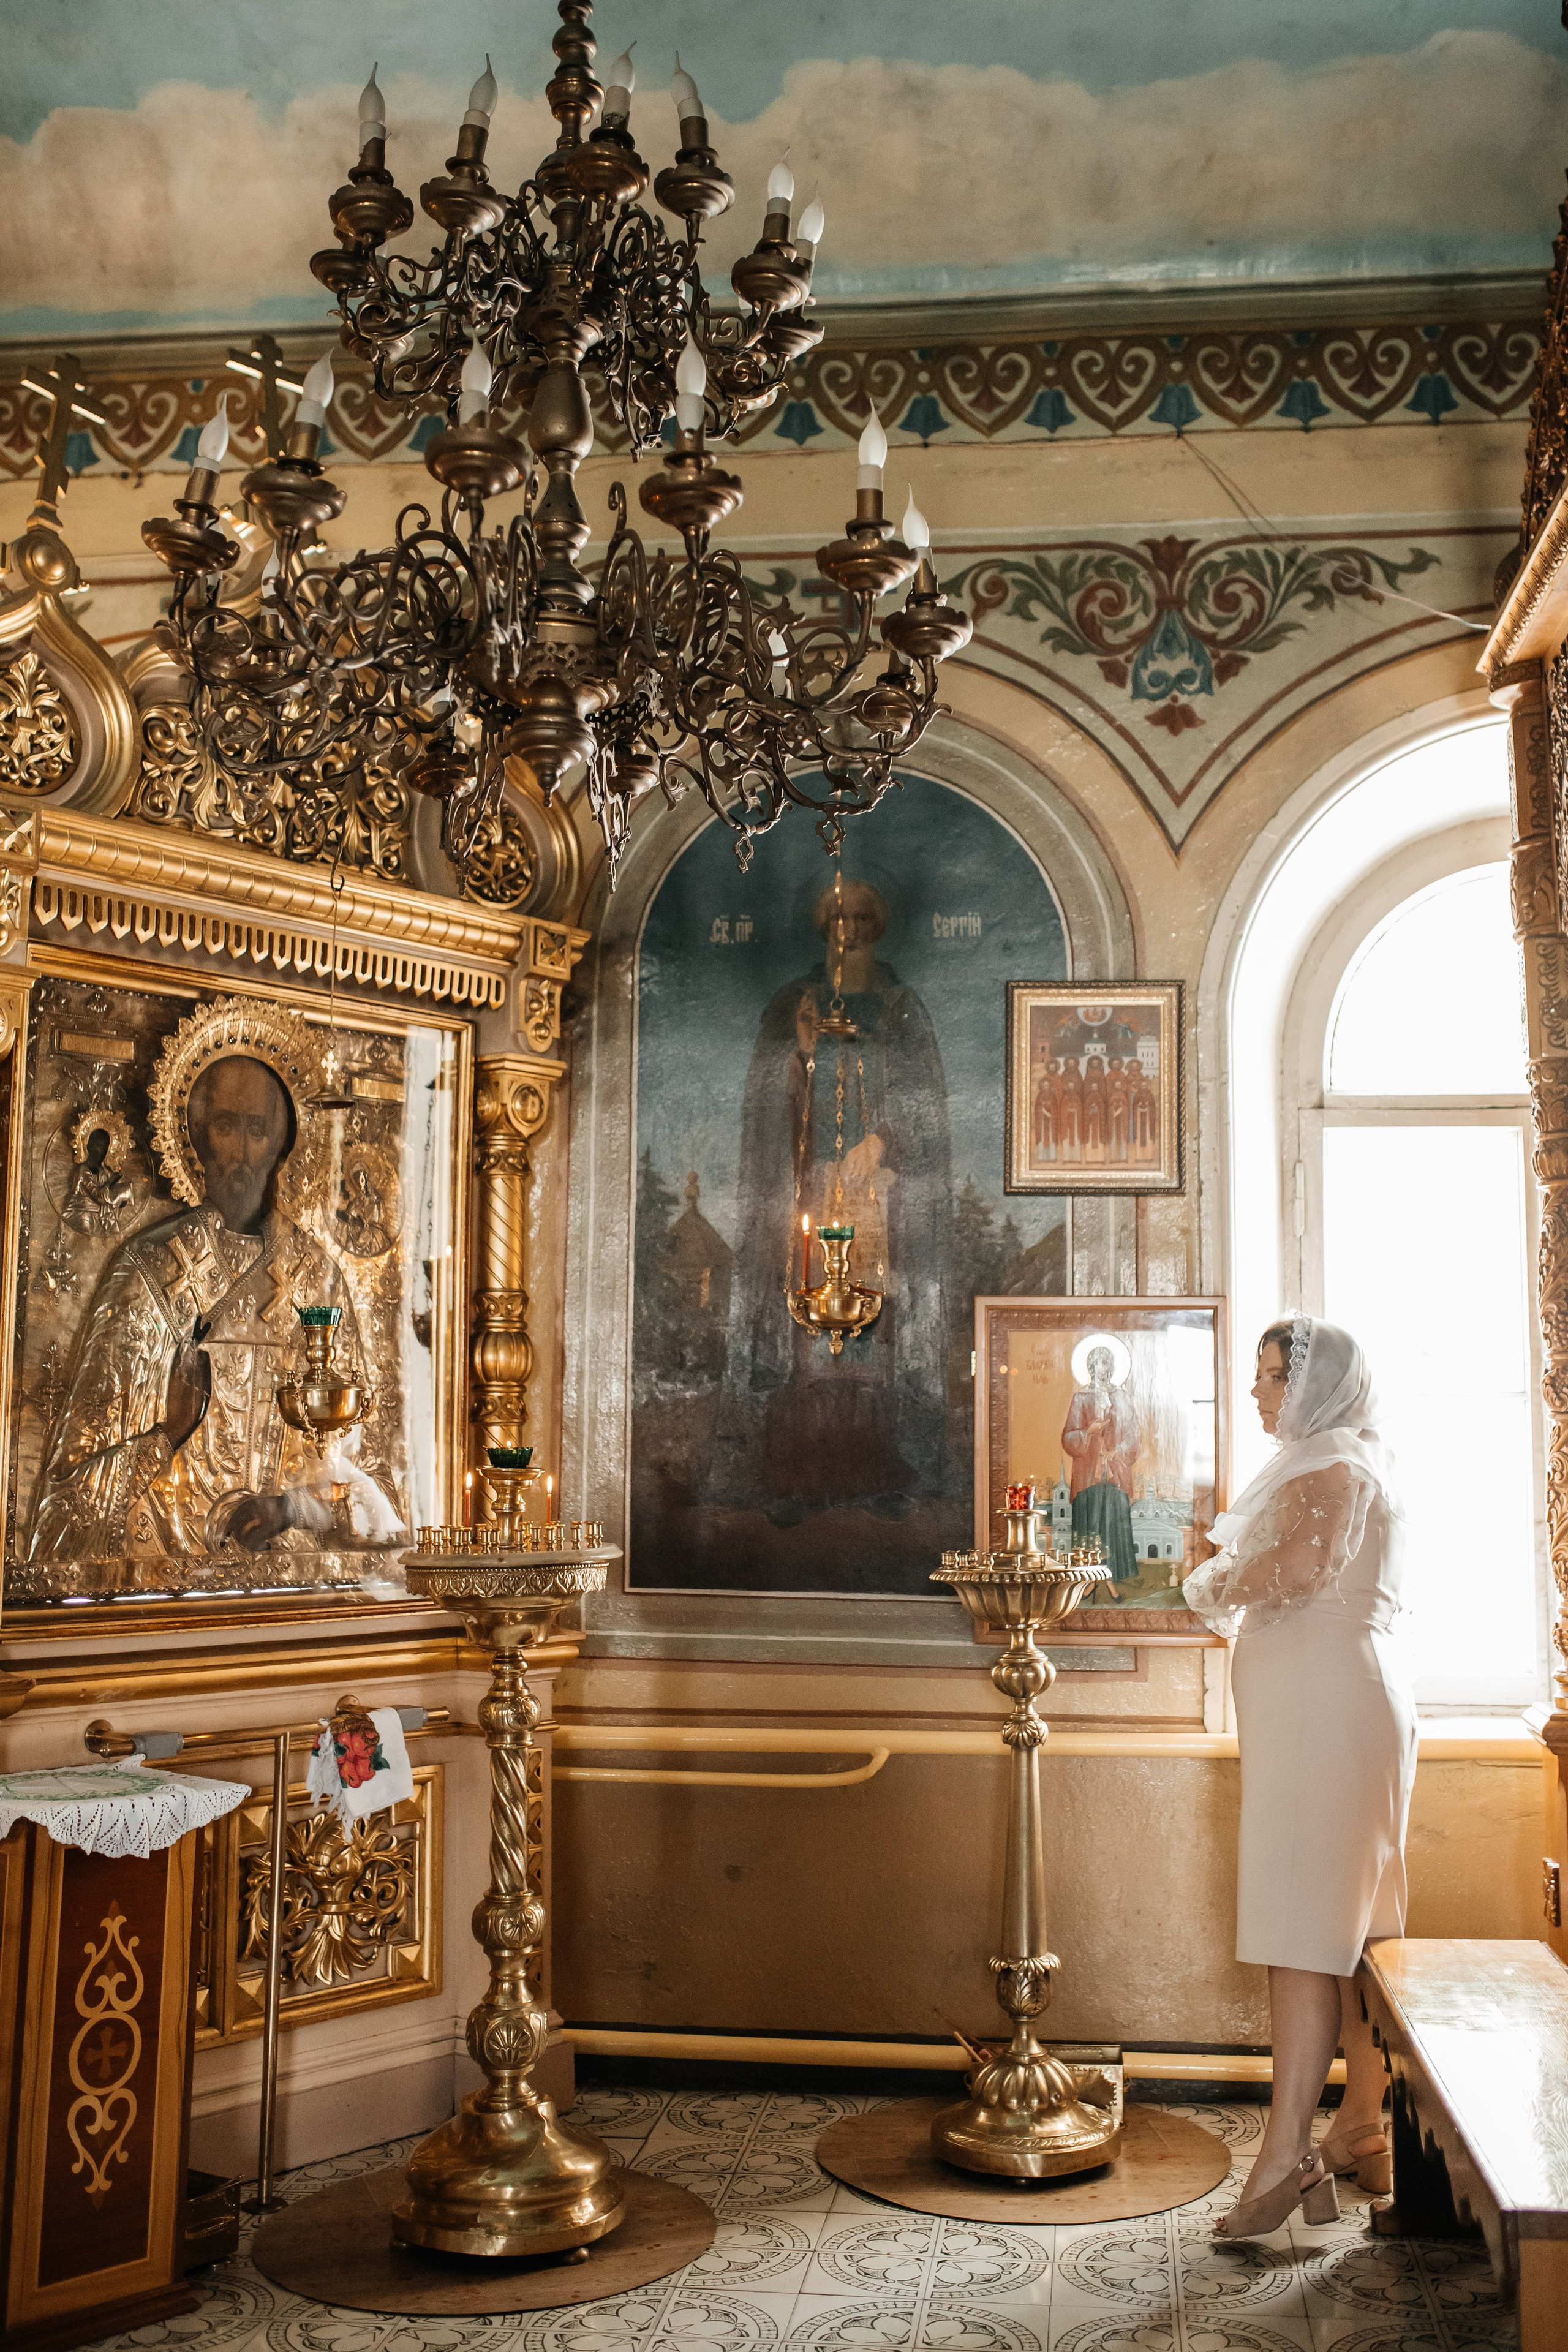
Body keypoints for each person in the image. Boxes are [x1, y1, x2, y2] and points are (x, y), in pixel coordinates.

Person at [1184, 1316, 1414, 2239]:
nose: (1258, 1392)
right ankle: (1363, 2123)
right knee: (1350, 1929)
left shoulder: (1329, 1463)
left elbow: (1309, 1564)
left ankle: (1286, 2157)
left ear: (1315, 1388)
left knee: (1301, 1932)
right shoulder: (1347, 1458)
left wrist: (1215, 1581)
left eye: (1273, 1377)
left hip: (1324, 1711)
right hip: (1333, 1702)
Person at [29, 1054, 396, 1570]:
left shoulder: (319, 1282)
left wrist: (294, 1507)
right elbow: (62, 1512)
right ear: (196, 1137)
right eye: (225, 1126)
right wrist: (167, 1436)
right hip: (164, 1594)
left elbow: (377, 1483)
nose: (243, 1152)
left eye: (258, 1129)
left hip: (290, 1599)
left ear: (283, 1144)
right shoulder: (147, 1272)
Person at [1061, 1341, 1139, 1583]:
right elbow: (1068, 1437)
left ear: (1112, 1367)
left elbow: (1134, 1435)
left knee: (1114, 1523)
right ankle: (1086, 1580)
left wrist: (1118, 1451)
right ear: (1089, 1367)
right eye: (1095, 1363)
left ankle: (1115, 1580)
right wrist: (1088, 1431)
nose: (1100, 1368)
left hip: (1115, 1474)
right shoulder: (1081, 1398)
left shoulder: (1122, 1397)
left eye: (1105, 1363)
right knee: (1089, 1524)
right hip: (1088, 1476)